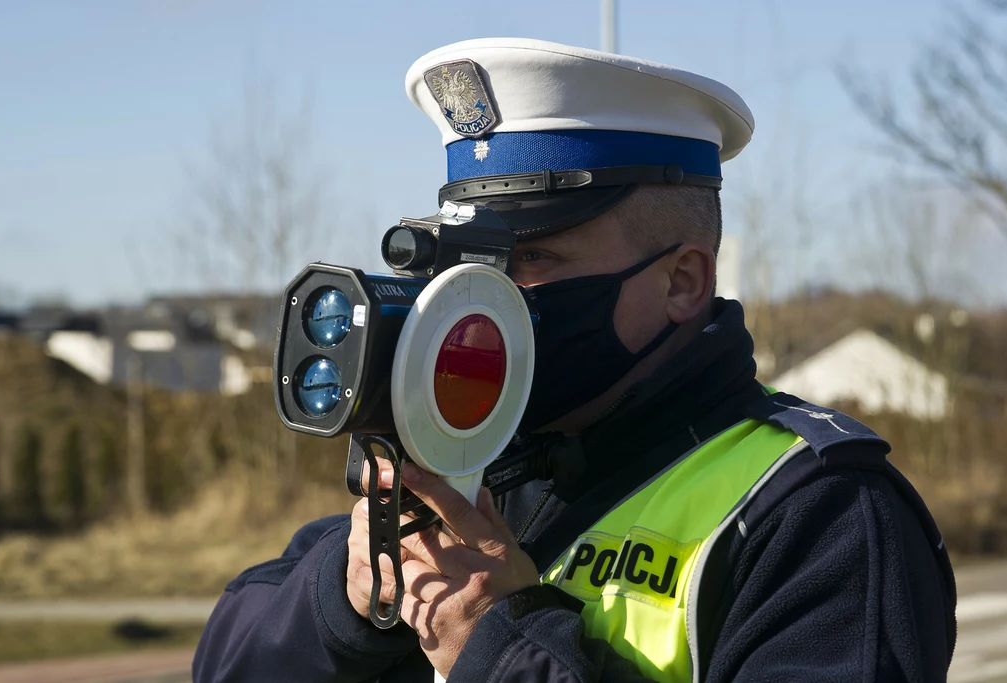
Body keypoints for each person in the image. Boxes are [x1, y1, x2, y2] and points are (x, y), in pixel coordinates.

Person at [193, 39, 957, 683]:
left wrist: (502, 649)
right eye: (466, 263)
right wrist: (346, 599)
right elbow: (224, 657)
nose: (479, 299)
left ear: (682, 280)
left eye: (531, 258)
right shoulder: (475, 462)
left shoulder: (819, 514)